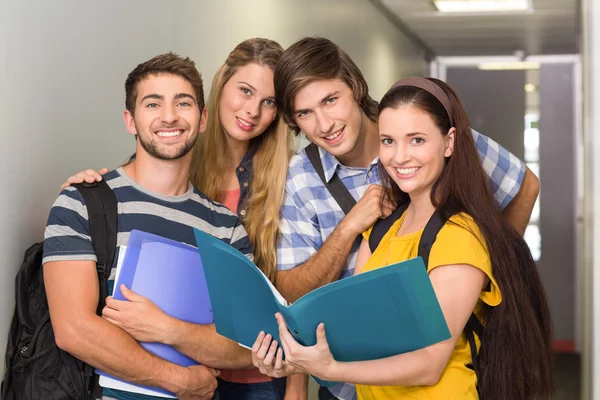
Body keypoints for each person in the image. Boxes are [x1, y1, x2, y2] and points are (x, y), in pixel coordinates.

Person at [269, 37, 541, 400]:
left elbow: (430, 363)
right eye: (389, 142)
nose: (400, 156)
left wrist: (491, 269)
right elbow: (348, 312)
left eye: (330, 100)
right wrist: (298, 363)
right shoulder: (380, 230)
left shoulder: (459, 230)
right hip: (356, 383)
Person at [58, 39, 304, 400]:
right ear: (131, 120)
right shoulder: (86, 201)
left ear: (201, 118)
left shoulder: (229, 223)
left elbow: (246, 343)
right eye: (153, 104)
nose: (170, 116)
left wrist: (166, 329)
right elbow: (73, 329)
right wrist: (176, 378)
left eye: (183, 103)